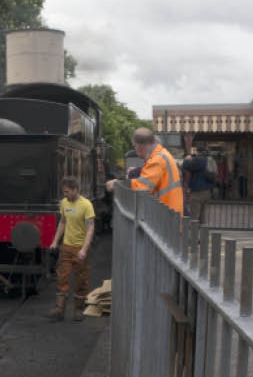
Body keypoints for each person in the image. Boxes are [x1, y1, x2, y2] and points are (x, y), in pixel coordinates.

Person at [48, 176, 95, 322]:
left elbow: (90, 229)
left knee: (81, 279)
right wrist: (55, 241)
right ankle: (59, 309)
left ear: (75, 190)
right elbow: (62, 222)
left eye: (67, 192)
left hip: (81, 248)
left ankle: (78, 309)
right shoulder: (64, 203)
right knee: (62, 276)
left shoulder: (86, 205)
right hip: (66, 247)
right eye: (64, 192)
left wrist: (84, 250)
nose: (65, 194)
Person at [106, 128, 184, 215]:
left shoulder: (157, 160)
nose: (135, 149)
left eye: (134, 146)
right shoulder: (162, 154)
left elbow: (142, 187)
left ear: (139, 146)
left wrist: (117, 184)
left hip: (166, 216)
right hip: (169, 212)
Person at [182, 147, 215, 223]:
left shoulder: (200, 159)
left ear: (198, 152)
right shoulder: (210, 159)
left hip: (198, 193)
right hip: (207, 191)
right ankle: (202, 232)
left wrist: (187, 159)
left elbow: (186, 166)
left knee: (194, 217)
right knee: (202, 215)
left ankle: (194, 233)